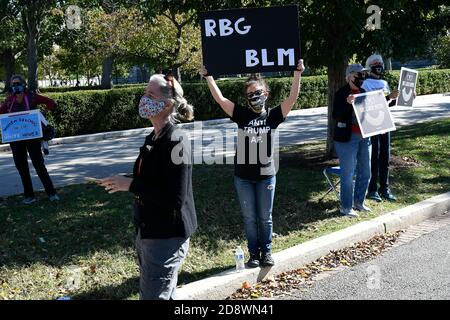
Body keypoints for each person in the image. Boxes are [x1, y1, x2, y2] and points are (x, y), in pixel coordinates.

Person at [97, 73, 197, 300]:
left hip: (166, 236)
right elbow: (151, 178)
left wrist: (131, 185)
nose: (144, 99)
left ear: (168, 104)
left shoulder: (177, 140)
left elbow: (175, 199)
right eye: (145, 93)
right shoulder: (153, 136)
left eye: (150, 94)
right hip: (148, 231)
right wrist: (121, 180)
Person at [200, 59, 305, 268]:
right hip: (243, 178)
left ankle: (266, 252)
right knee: (249, 218)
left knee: (265, 218)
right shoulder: (242, 115)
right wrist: (209, 76)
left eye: (258, 92)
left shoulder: (274, 115)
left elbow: (292, 98)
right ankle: (253, 254)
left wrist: (297, 73)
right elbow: (221, 100)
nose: (254, 97)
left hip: (267, 175)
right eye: (250, 94)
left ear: (266, 94)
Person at [0, 75, 59, 204]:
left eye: (17, 83)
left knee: (39, 165)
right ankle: (29, 196)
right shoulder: (9, 101)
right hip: (16, 140)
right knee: (22, 167)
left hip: (33, 137)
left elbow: (51, 102)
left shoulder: (32, 97)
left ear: (23, 84)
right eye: (13, 84)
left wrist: (42, 114)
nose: (15, 86)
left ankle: (51, 193)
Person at [333, 64, 371, 218]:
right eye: (358, 74)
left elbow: (373, 113)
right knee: (348, 174)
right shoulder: (341, 93)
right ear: (349, 76)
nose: (361, 77)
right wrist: (347, 103)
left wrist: (391, 99)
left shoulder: (363, 92)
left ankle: (359, 202)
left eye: (363, 74)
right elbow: (335, 114)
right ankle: (346, 207)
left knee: (365, 171)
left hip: (365, 137)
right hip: (346, 139)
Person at [361, 54, 400, 202]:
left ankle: (385, 188)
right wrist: (388, 96)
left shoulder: (384, 82)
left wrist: (398, 97)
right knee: (374, 157)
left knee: (385, 157)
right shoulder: (365, 84)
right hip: (372, 124)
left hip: (385, 123)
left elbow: (388, 103)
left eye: (381, 63)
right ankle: (372, 189)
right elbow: (369, 104)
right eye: (376, 63)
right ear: (370, 66)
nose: (379, 65)